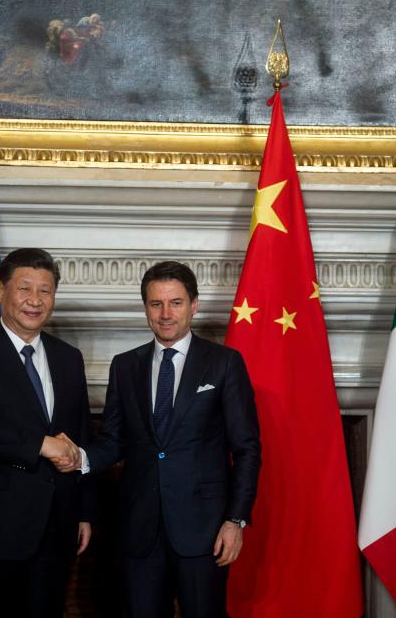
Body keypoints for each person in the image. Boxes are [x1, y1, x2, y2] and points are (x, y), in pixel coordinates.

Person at [79, 261, 261, 618]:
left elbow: (247, 449)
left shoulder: (224, 363)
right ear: (145, 307)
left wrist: (235, 520)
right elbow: (114, 440)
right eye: (156, 303)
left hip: (205, 530)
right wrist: (79, 458)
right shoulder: (125, 365)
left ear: (194, 305)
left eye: (175, 302)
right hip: (140, 531)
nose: (165, 314)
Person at [0, 247, 94, 618]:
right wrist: (41, 445)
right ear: (1, 289)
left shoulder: (67, 357)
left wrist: (84, 511)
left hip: (56, 526)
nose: (35, 300)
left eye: (45, 290)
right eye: (25, 288)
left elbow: (81, 436)